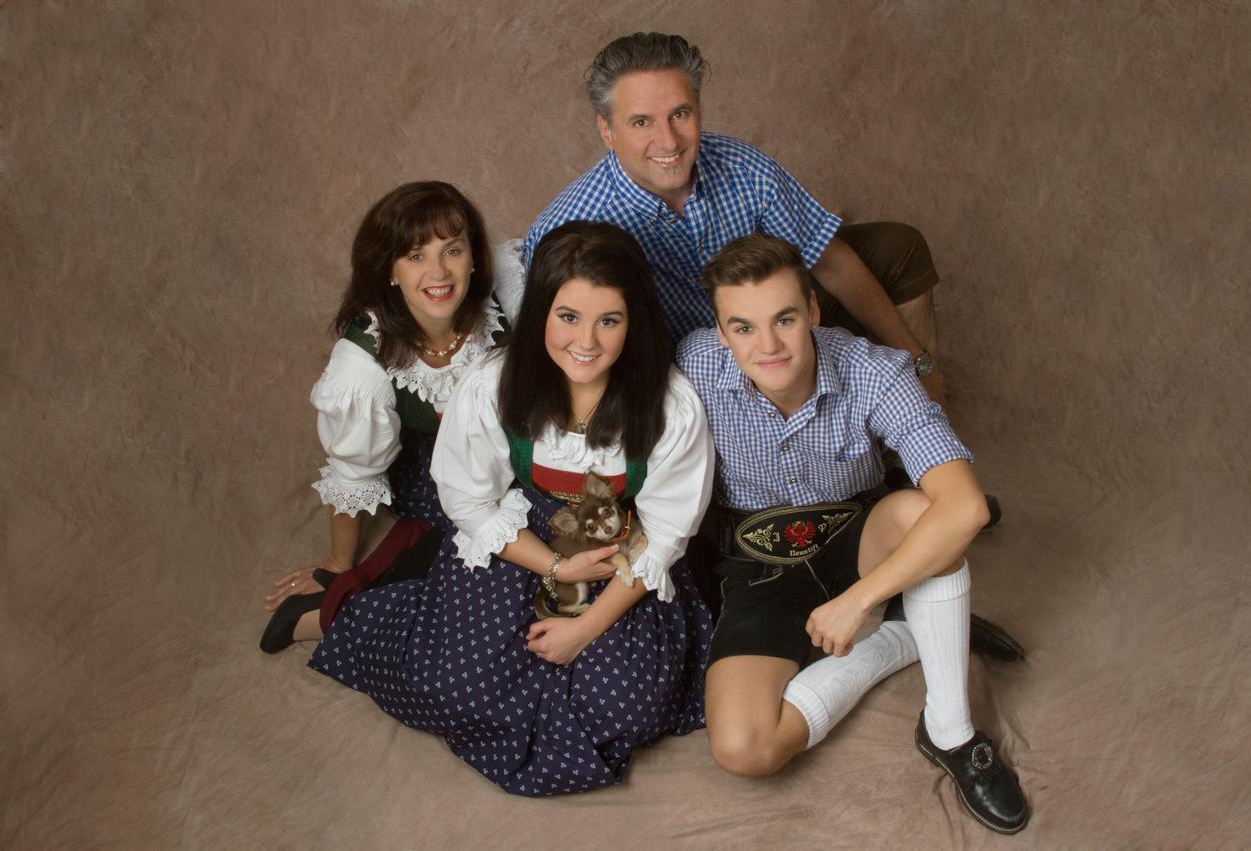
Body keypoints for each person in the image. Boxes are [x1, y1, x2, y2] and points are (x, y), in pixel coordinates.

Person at [308, 221, 716, 796]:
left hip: (621, 555)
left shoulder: (671, 404)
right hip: (525, 539)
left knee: (631, 710)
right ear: (541, 311)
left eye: (610, 320)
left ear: (636, 320)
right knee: (457, 688)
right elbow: (471, 502)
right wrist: (554, 567)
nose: (587, 342)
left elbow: (667, 532)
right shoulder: (495, 384)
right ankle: (348, 610)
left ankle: (578, 653)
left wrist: (589, 626)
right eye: (568, 317)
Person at [678, 234, 1028, 834]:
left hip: (859, 535)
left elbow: (966, 507)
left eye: (785, 319)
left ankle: (949, 730)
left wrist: (856, 601)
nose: (768, 346)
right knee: (745, 748)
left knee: (928, 514)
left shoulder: (876, 371)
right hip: (758, 560)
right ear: (719, 332)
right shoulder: (694, 364)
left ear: (813, 310)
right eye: (743, 327)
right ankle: (908, 634)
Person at [523, 32, 945, 406]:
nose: (668, 140)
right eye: (641, 122)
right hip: (674, 372)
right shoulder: (570, 228)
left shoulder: (742, 165)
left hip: (769, 320)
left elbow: (829, 260)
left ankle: (905, 433)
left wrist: (920, 367)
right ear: (607, 130)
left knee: (897, 247)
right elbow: (565, 352)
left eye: (680, 113)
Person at [260, 181, 506, 652]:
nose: (438, 271)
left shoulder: (507, 301)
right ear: (390, 269)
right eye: (415, 256)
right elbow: (354, 468)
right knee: (485, 587)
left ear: (473, 256)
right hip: (437, 482)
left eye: (452, 250)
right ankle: (334, 616)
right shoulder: (364, 356)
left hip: (511, 466)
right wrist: (338, 564)